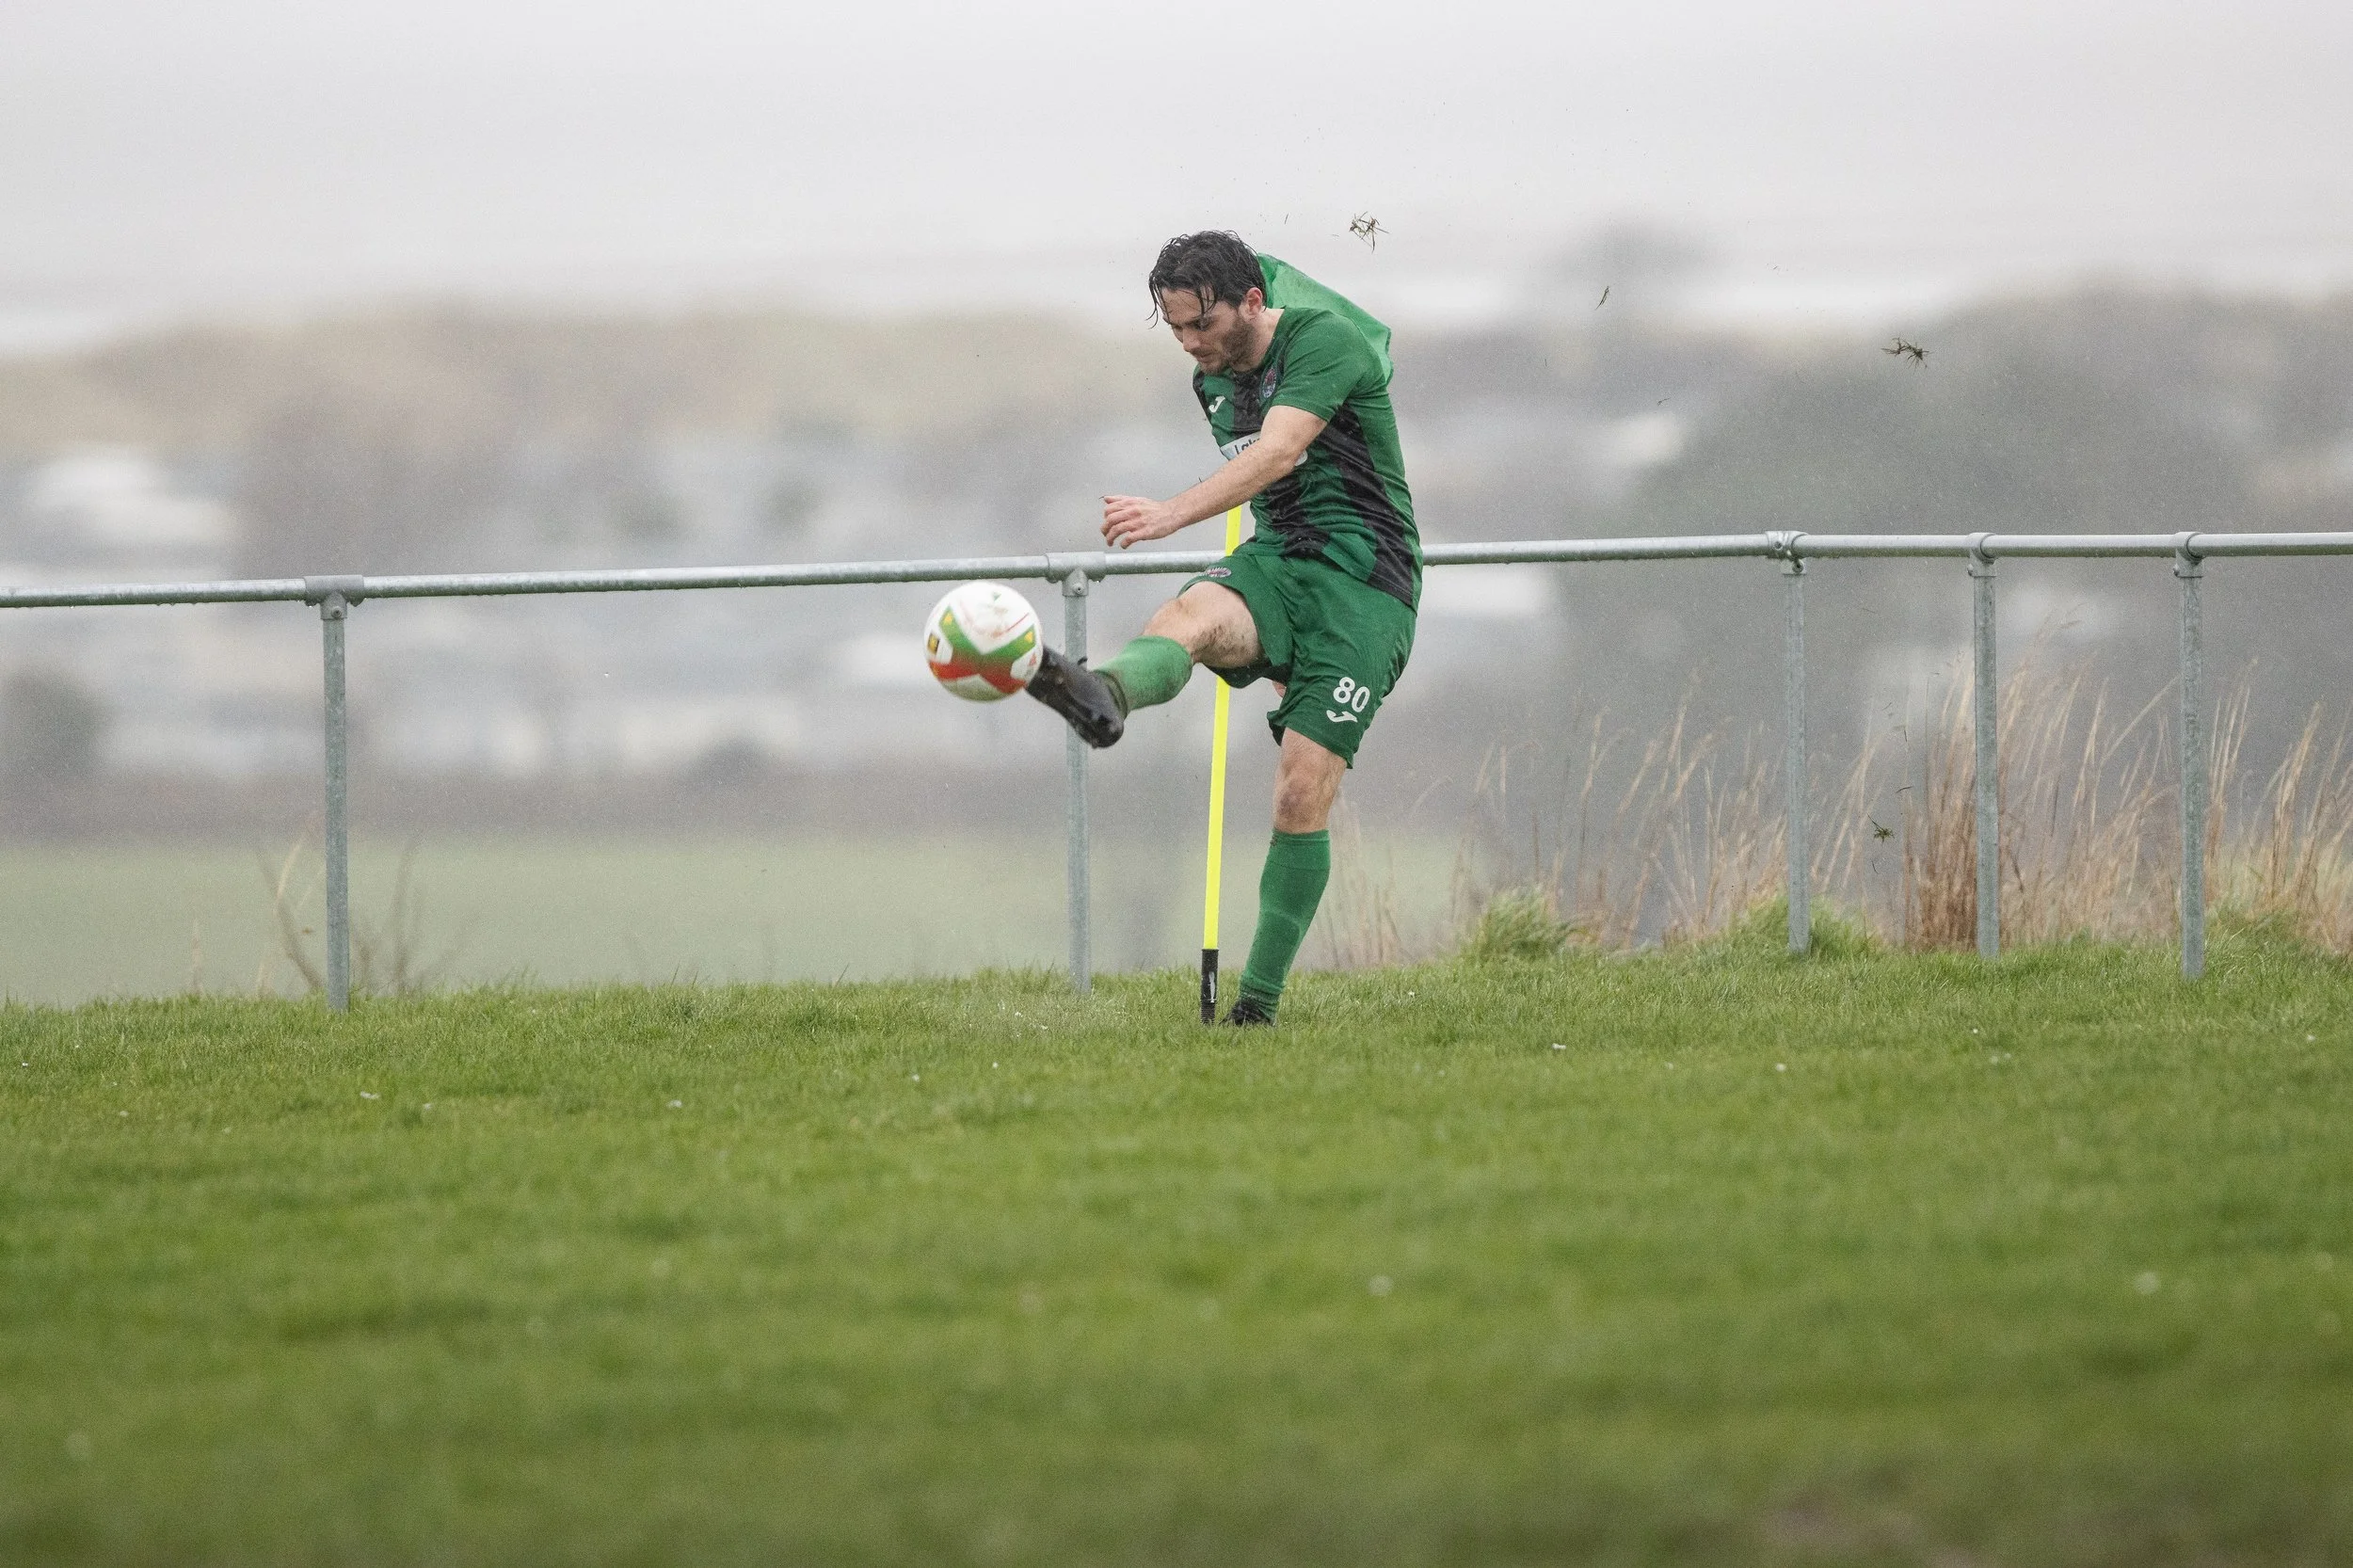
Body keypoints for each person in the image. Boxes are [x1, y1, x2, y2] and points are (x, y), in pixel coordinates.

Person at [1026, 231, 1419, 1026]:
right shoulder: (1210, 382)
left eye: (1201, 326)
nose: (1190, 345)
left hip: (1365, 587)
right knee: (1189, 617)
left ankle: (1257, 1008)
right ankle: (1104, 695)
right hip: (1278, 562)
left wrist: (1170, 513)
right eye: (1174, 329)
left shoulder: (1326, 342)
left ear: (1250, 302)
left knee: (1300, 791)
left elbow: (1277, 456)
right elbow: (1267, 485)